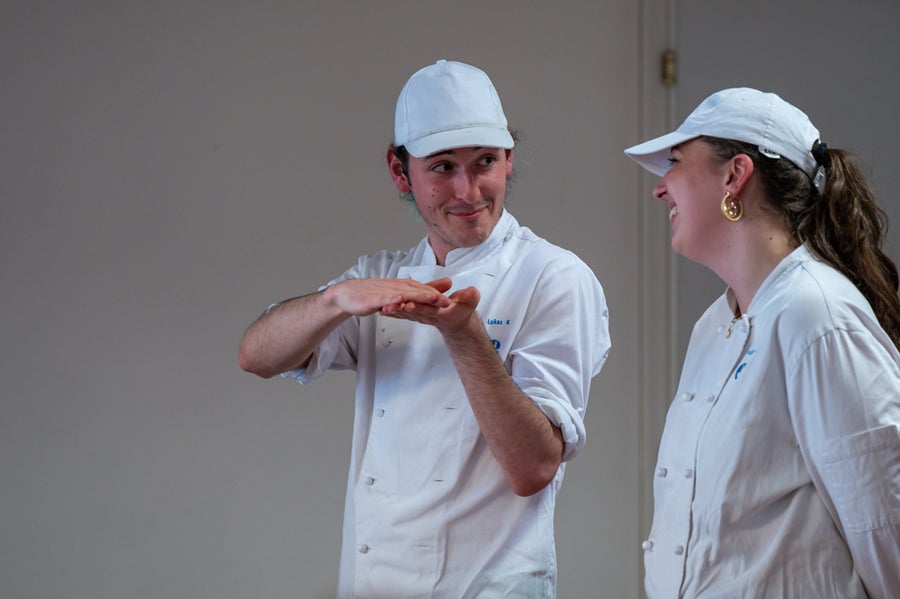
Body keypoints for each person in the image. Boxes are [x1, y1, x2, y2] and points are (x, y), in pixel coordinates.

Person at [239, 59, 611, 598]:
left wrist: (464, 335)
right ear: (400, 172)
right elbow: (256, 356)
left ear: (509, 159)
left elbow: (533, 467)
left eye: (485, 162)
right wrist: (333, 300)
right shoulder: (381, 276)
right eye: (442, 167)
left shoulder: (552, 276)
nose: (468, 190)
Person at [624, 87, 900, 598]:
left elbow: (888, 530)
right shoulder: (713, 326)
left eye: (675, 162)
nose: (660, 188)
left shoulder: (816, 314)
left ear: (735, 175)